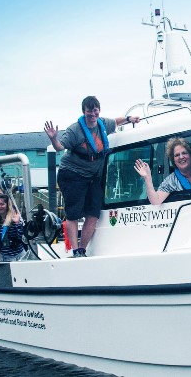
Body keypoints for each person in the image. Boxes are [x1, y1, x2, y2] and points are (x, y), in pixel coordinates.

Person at [43, 95, 140, 258]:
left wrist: (130, 119)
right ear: (84, 112)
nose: (92, 114)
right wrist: (53, 138)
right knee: (73, 213)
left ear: (99, 111)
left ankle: (82, 249)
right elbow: (60, 147)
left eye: (95, 110)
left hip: (92, 175)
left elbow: (116, 121)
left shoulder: (103, 123)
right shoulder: (75, 130)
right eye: (89, 111)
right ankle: (75, 251)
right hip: (72, 174)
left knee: (94, 213)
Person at [0, 194, 26, 262]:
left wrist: (17, 223)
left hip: (18, 256)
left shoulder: (14, 218)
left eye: (2, 204)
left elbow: (22, 237)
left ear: (7, 205)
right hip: (3, 257)